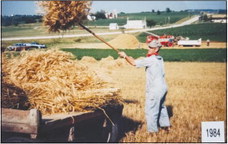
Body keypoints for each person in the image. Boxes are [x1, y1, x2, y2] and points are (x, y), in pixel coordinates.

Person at [118, 40, 171, 133]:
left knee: (151, 110)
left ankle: (152, 131)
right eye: (149, 47)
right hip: (163, 87)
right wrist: (128, 57)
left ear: (156, 49)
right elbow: (139, 61)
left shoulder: (151, 60)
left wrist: (125, 56)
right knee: (161, 107)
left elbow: (134, 63)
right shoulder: (159, 58)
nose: (148, 49)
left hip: (155, 89)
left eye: (151, 48)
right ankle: (165, 126)